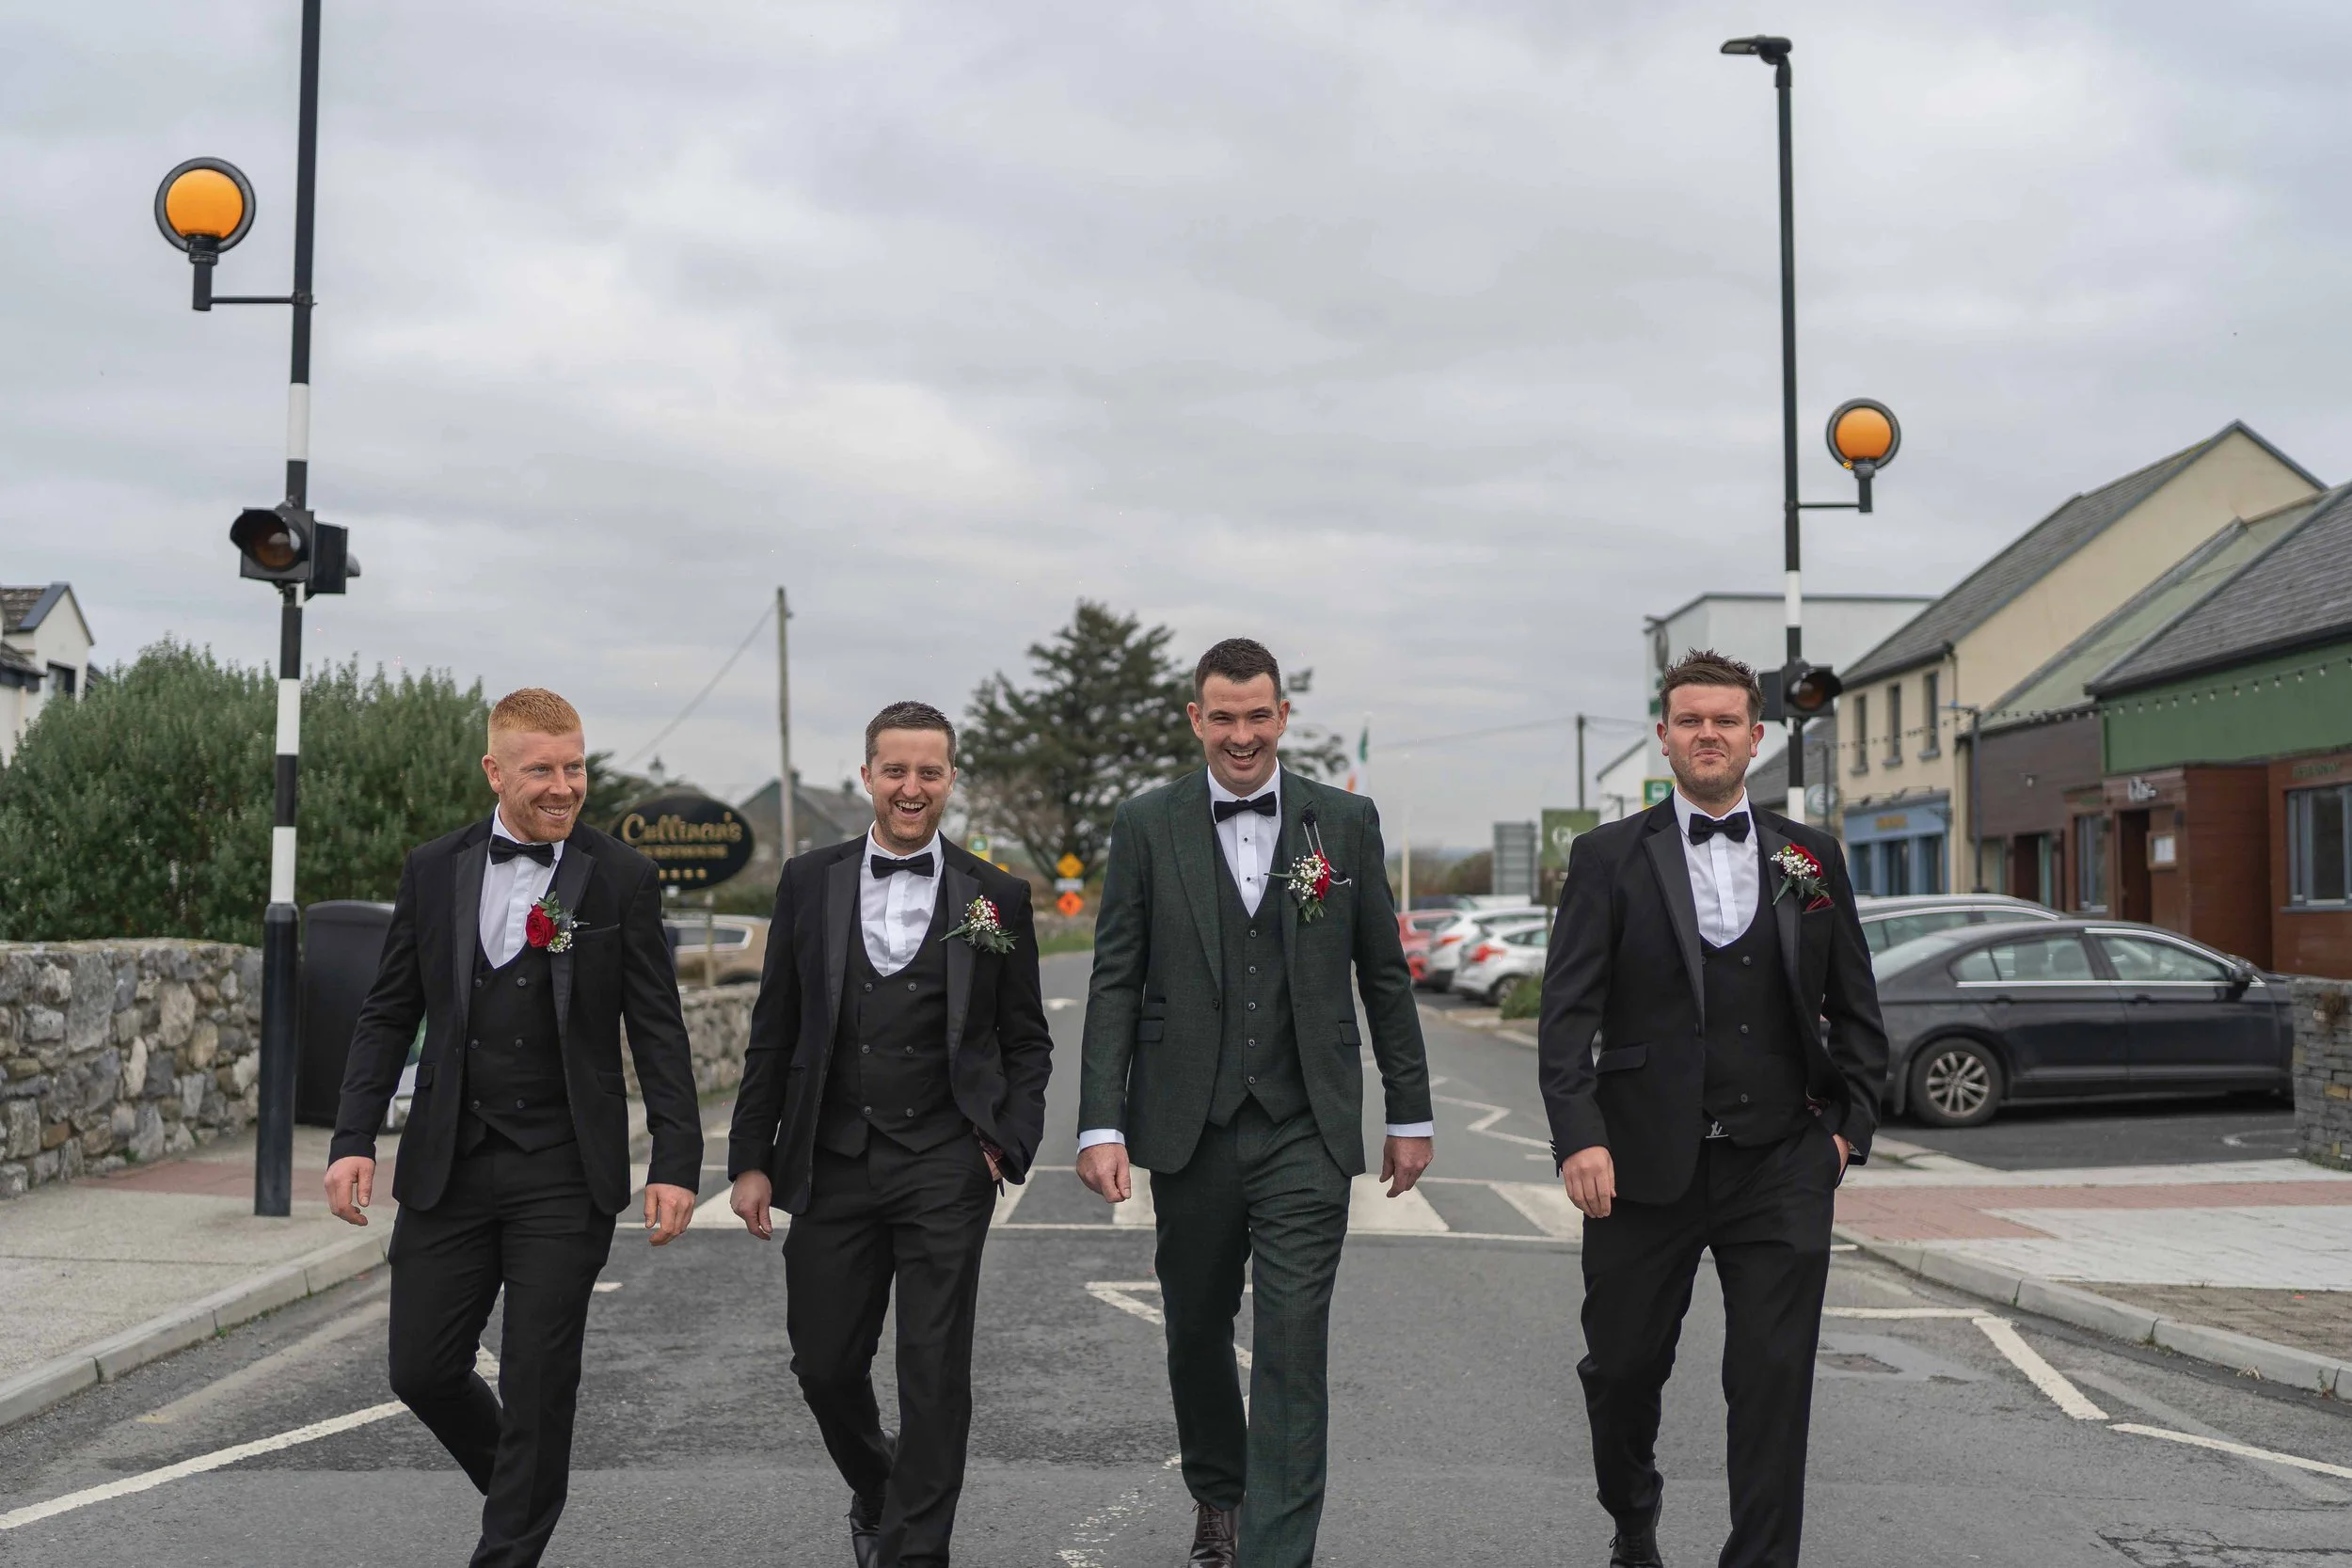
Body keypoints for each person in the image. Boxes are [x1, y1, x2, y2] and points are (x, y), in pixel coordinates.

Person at [325, 687, 704, 1568]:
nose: (564, 785)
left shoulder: (621, 878)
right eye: (542, 770)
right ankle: (525, 1488)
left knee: (537, 1383)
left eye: (575, 766)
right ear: (495, 770)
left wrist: (677, 1161)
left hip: (565, 1172)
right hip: (449, 1163)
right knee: (419, 1369)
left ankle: (507, 1551)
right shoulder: (434, 867)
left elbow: (657, 1029)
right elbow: (388, 1014)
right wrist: (352, 1139)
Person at [1076, 638, 1433, 1568]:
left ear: (1282, 716)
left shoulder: (1342, 821)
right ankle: (1219, 1492)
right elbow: (1114, 977)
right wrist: (1101, 1120)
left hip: (1304, 1124)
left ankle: (1277, 1550)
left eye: (1257, 714)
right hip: (1186, 1126)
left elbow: (1383, 976)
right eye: (1222, 715)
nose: (1241, 733)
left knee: (1290, 1343)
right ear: (1197, 718)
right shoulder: (1146, 823)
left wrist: (1409, 1114)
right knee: (1194, 1327)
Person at [1537, 650, 1888, 1568]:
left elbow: (1855, 1008)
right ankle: (1632, 1513)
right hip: (1642, 1163)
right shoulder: (1607, 858)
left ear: (1753, 735)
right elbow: (1566, 1016)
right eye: (1689, 720)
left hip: (1779, 1161)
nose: (1707, 734)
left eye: (1724, 720)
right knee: (1620, 1370)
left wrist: (1845, 1130)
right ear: (1663, 735)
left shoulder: (1811, 856)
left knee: (1771, 1382)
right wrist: (1579, 1136)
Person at [727, 700, 1053, 1568]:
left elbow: (1026, 1039)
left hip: (947, 1160)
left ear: (951, 779)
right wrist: (751, 1159)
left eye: (930, 772)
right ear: (868, 773)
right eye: (896, 770)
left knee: (934, 1369)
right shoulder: (808, 880)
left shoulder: (999, 895)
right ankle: (880, 1489)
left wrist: (1007, 1139)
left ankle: (914, 1552)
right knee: (825, 1364)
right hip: (832, 1159)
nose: (913, 788)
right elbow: (774, 1028)